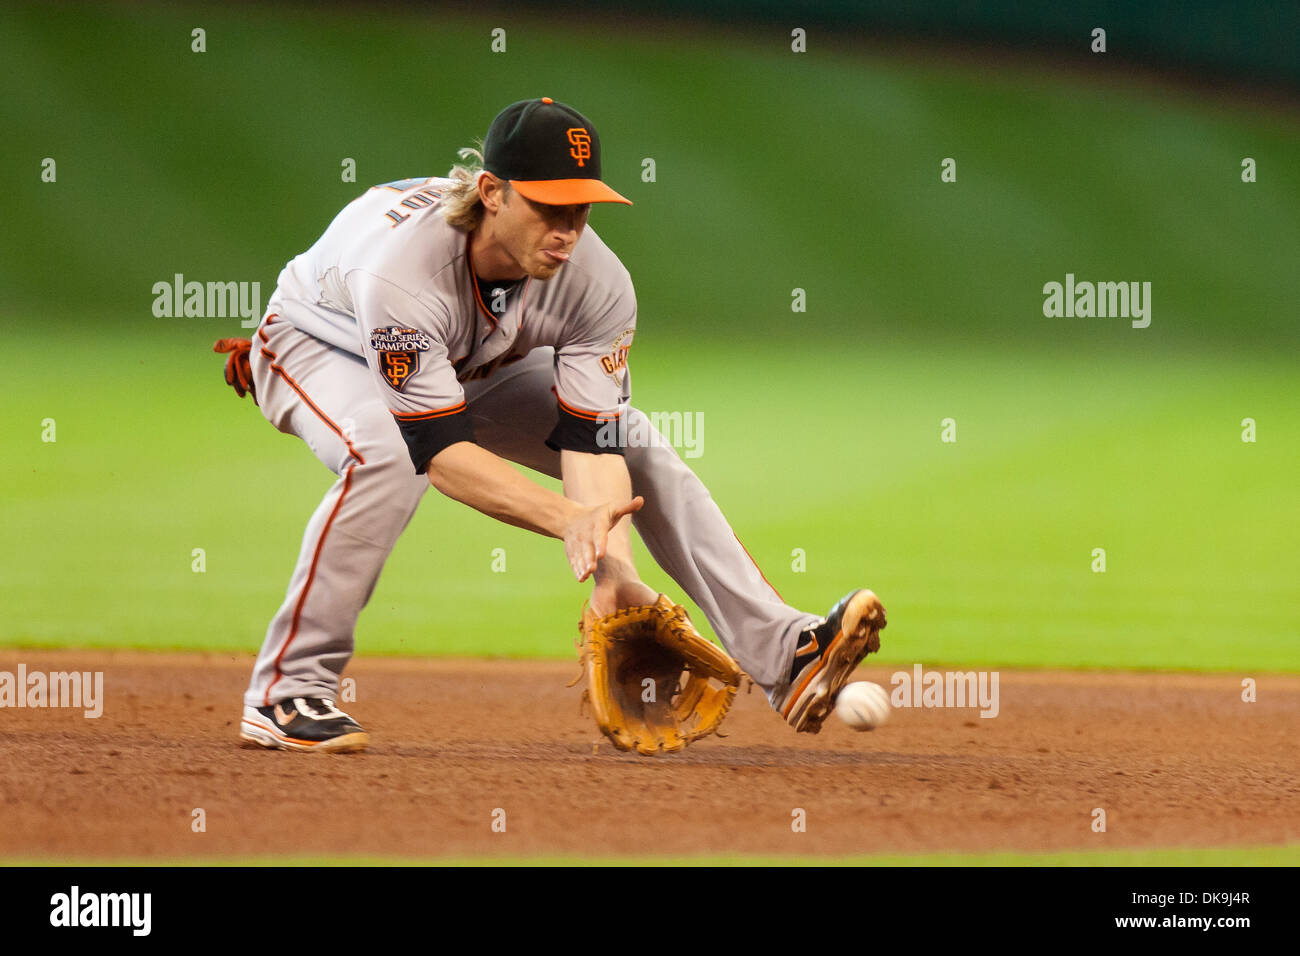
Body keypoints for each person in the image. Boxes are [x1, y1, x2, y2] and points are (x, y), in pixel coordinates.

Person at [214, 97, 886, 753]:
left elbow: (589, 440)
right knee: (388, 454)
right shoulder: (404, 276)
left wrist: (614, 577)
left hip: (470, 360)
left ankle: (786, 656)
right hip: (324, 346)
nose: (566, 228)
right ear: (492, 193)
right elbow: (442, 454)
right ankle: (286, 690)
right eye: (547, 206)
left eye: (580, 207)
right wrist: (566, 519)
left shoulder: (597, 281)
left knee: (633, 440)